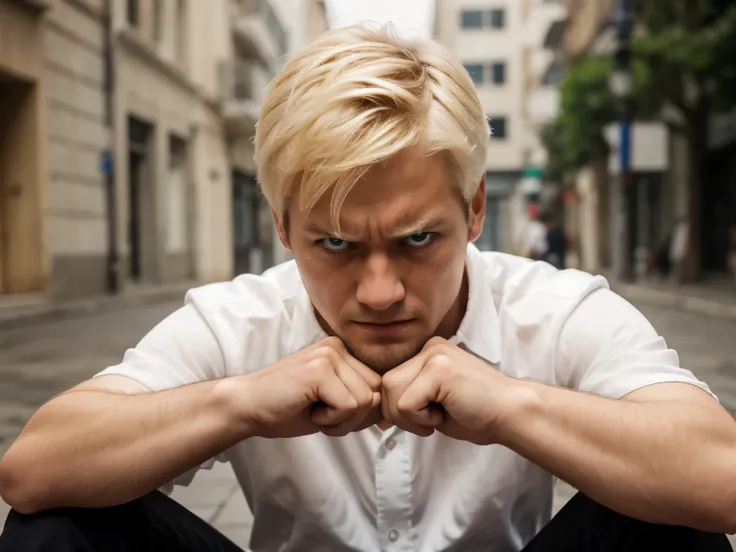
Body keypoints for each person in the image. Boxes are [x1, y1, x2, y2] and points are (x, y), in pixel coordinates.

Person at [1, 25, 735, 552]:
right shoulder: (240, 321)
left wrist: (515, 404)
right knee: (58, 524)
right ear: (284, 228)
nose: (380, 291)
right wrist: (239, 403)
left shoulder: (553, 310)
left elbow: (721, 478)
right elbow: (31, 470)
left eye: (418, 239)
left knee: (672, 521)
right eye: (336, 245)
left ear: (476, 208)